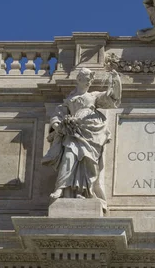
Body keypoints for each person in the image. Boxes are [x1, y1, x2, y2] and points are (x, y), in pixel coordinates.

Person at [42, 68, 121, 210]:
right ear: (79, 79)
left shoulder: (94, 96)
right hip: (73, 132)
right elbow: (57, 115)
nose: (90, 81)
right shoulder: (70, 99)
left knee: (87, 161)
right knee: (68, 157)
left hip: (91, 133)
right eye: (87, 78)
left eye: (91, 79)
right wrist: (58, 126)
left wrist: (115, 82)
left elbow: (111, 98)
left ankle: (84, 191)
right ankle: (61, 188)